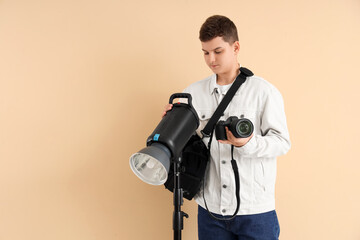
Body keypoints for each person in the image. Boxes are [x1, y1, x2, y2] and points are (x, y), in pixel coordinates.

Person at [163, 15, 291, 240]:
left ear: (236, 47)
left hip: (255, 211)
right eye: (205, 52)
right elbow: (184, 147)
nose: (211, 59)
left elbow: (282, 143)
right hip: (210, 209)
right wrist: (170, 124)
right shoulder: (192, 93)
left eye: (218, 51)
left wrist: (247, 143)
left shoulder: (264, 92)